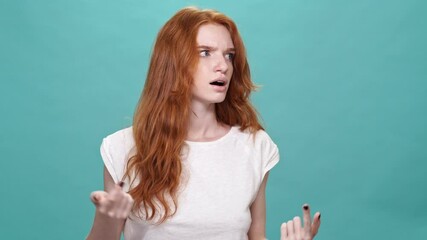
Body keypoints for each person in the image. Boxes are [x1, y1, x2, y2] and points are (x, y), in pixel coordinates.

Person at [86, 7, 321, 240]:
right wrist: (106, 218)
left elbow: (256, 236)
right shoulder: (122, 147)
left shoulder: (255, 146)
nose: (223, 66)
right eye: (205, 52)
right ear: (174, 62)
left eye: (229, 55)